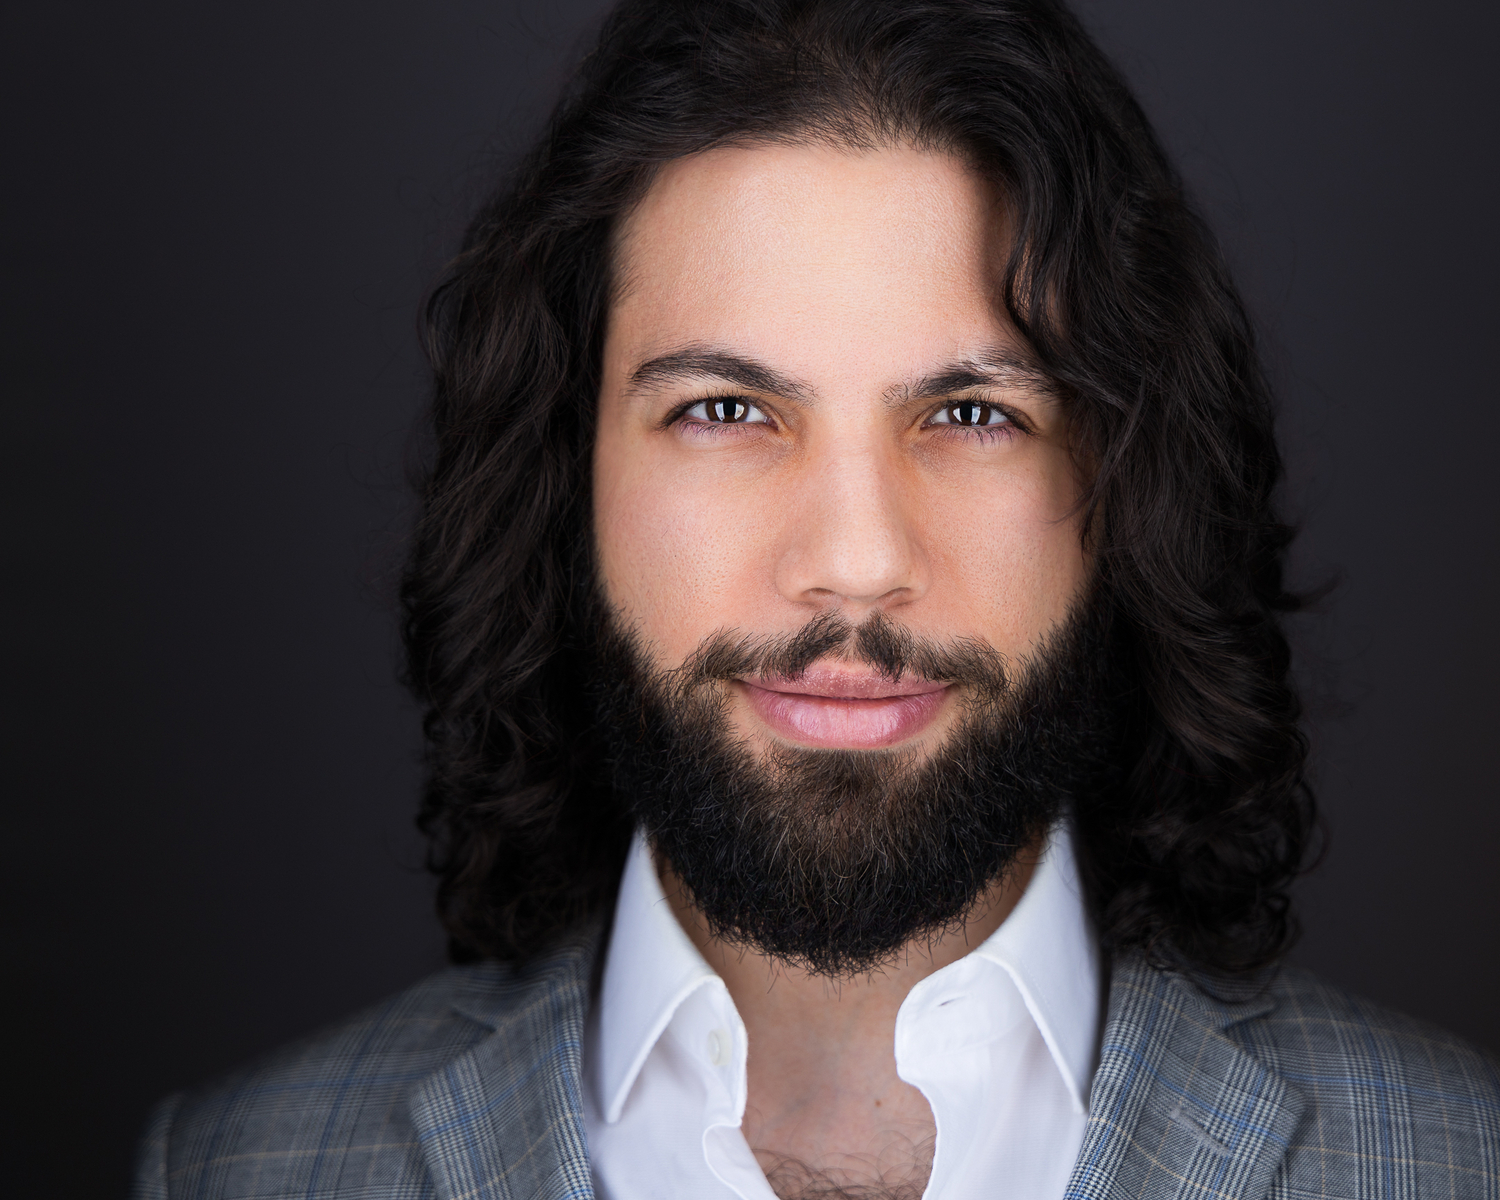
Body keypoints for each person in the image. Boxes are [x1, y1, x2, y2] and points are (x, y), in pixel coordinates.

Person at [132, 1, 1499, 1198]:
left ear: (1128, 490)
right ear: (566, 478)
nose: (853, 559)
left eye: (971, 413)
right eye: (727, 409)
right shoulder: (235, 1171)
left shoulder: (1456, 1163)